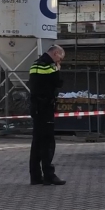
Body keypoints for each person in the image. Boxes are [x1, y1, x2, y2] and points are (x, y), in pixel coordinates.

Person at [29, 45, 66, 185]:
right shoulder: (50, 66)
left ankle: (35, 176)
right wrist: (57, 69)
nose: (59, 62)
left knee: (36, 143)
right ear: (56, 53)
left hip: (36, 108)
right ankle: (49, 175)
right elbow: (58, 82)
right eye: (60, 59)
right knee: (48, 143)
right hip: (46, 108)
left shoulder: (35, 64)